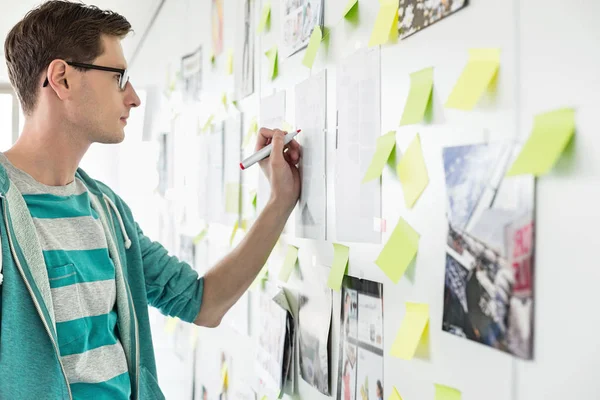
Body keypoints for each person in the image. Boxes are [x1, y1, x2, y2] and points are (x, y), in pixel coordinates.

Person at [0, 1, 301, 399]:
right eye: (119, 77)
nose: (134, 98)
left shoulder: (109, 213)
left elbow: (203, 302)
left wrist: (281, 201)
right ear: (62, 79)